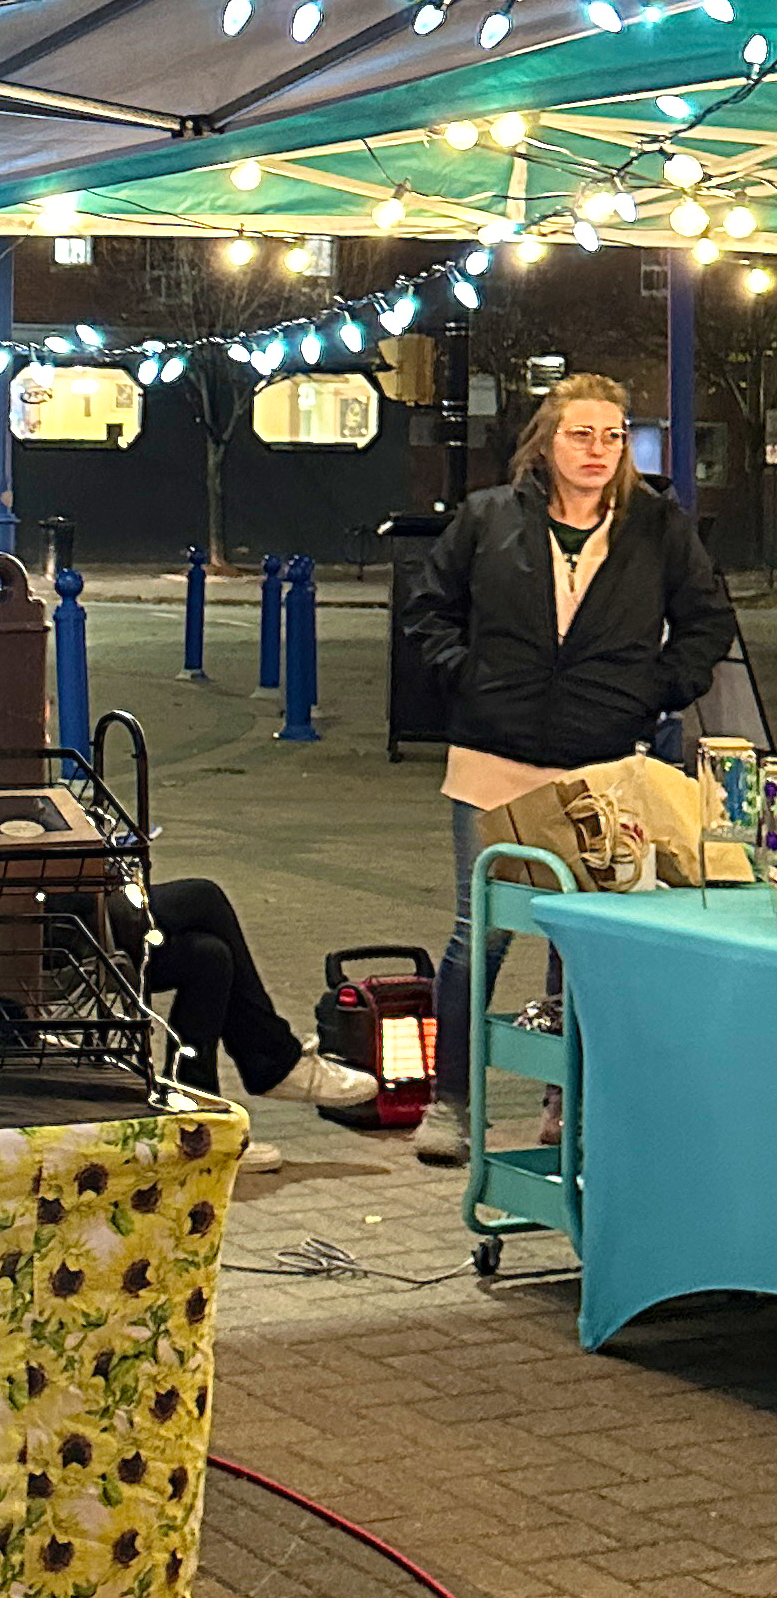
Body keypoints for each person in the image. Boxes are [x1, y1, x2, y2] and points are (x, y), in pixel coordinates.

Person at [402, 371, 731, 1165]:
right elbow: (425, 609)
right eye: (580, 433)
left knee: (579, 942)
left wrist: (653, 691)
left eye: (612, 434)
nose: (597, 449)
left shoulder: (655, 527)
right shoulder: (487, 519)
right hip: (491, 761)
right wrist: (466, 673)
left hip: (601, 766)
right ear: (545, 441)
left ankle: (566, 1104)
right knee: (474, 934)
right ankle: (449, 1104)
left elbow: (706, 621)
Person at [114, 878, 375, 1173]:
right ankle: (273, 1062)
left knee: (210, 956)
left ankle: (196, 1122)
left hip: (88, 897)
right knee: (204, 897)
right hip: (67, 913)